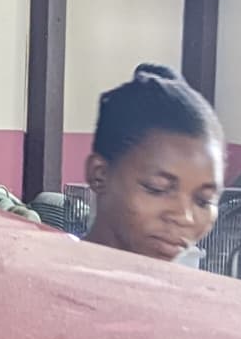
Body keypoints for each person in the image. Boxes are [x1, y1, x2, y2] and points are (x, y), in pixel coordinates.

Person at [80, 63, 223, 262]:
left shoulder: (189, 292)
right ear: (100, 175)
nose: (185, 217)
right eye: (157, 189)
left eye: (203, 200)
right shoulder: (42, 282)